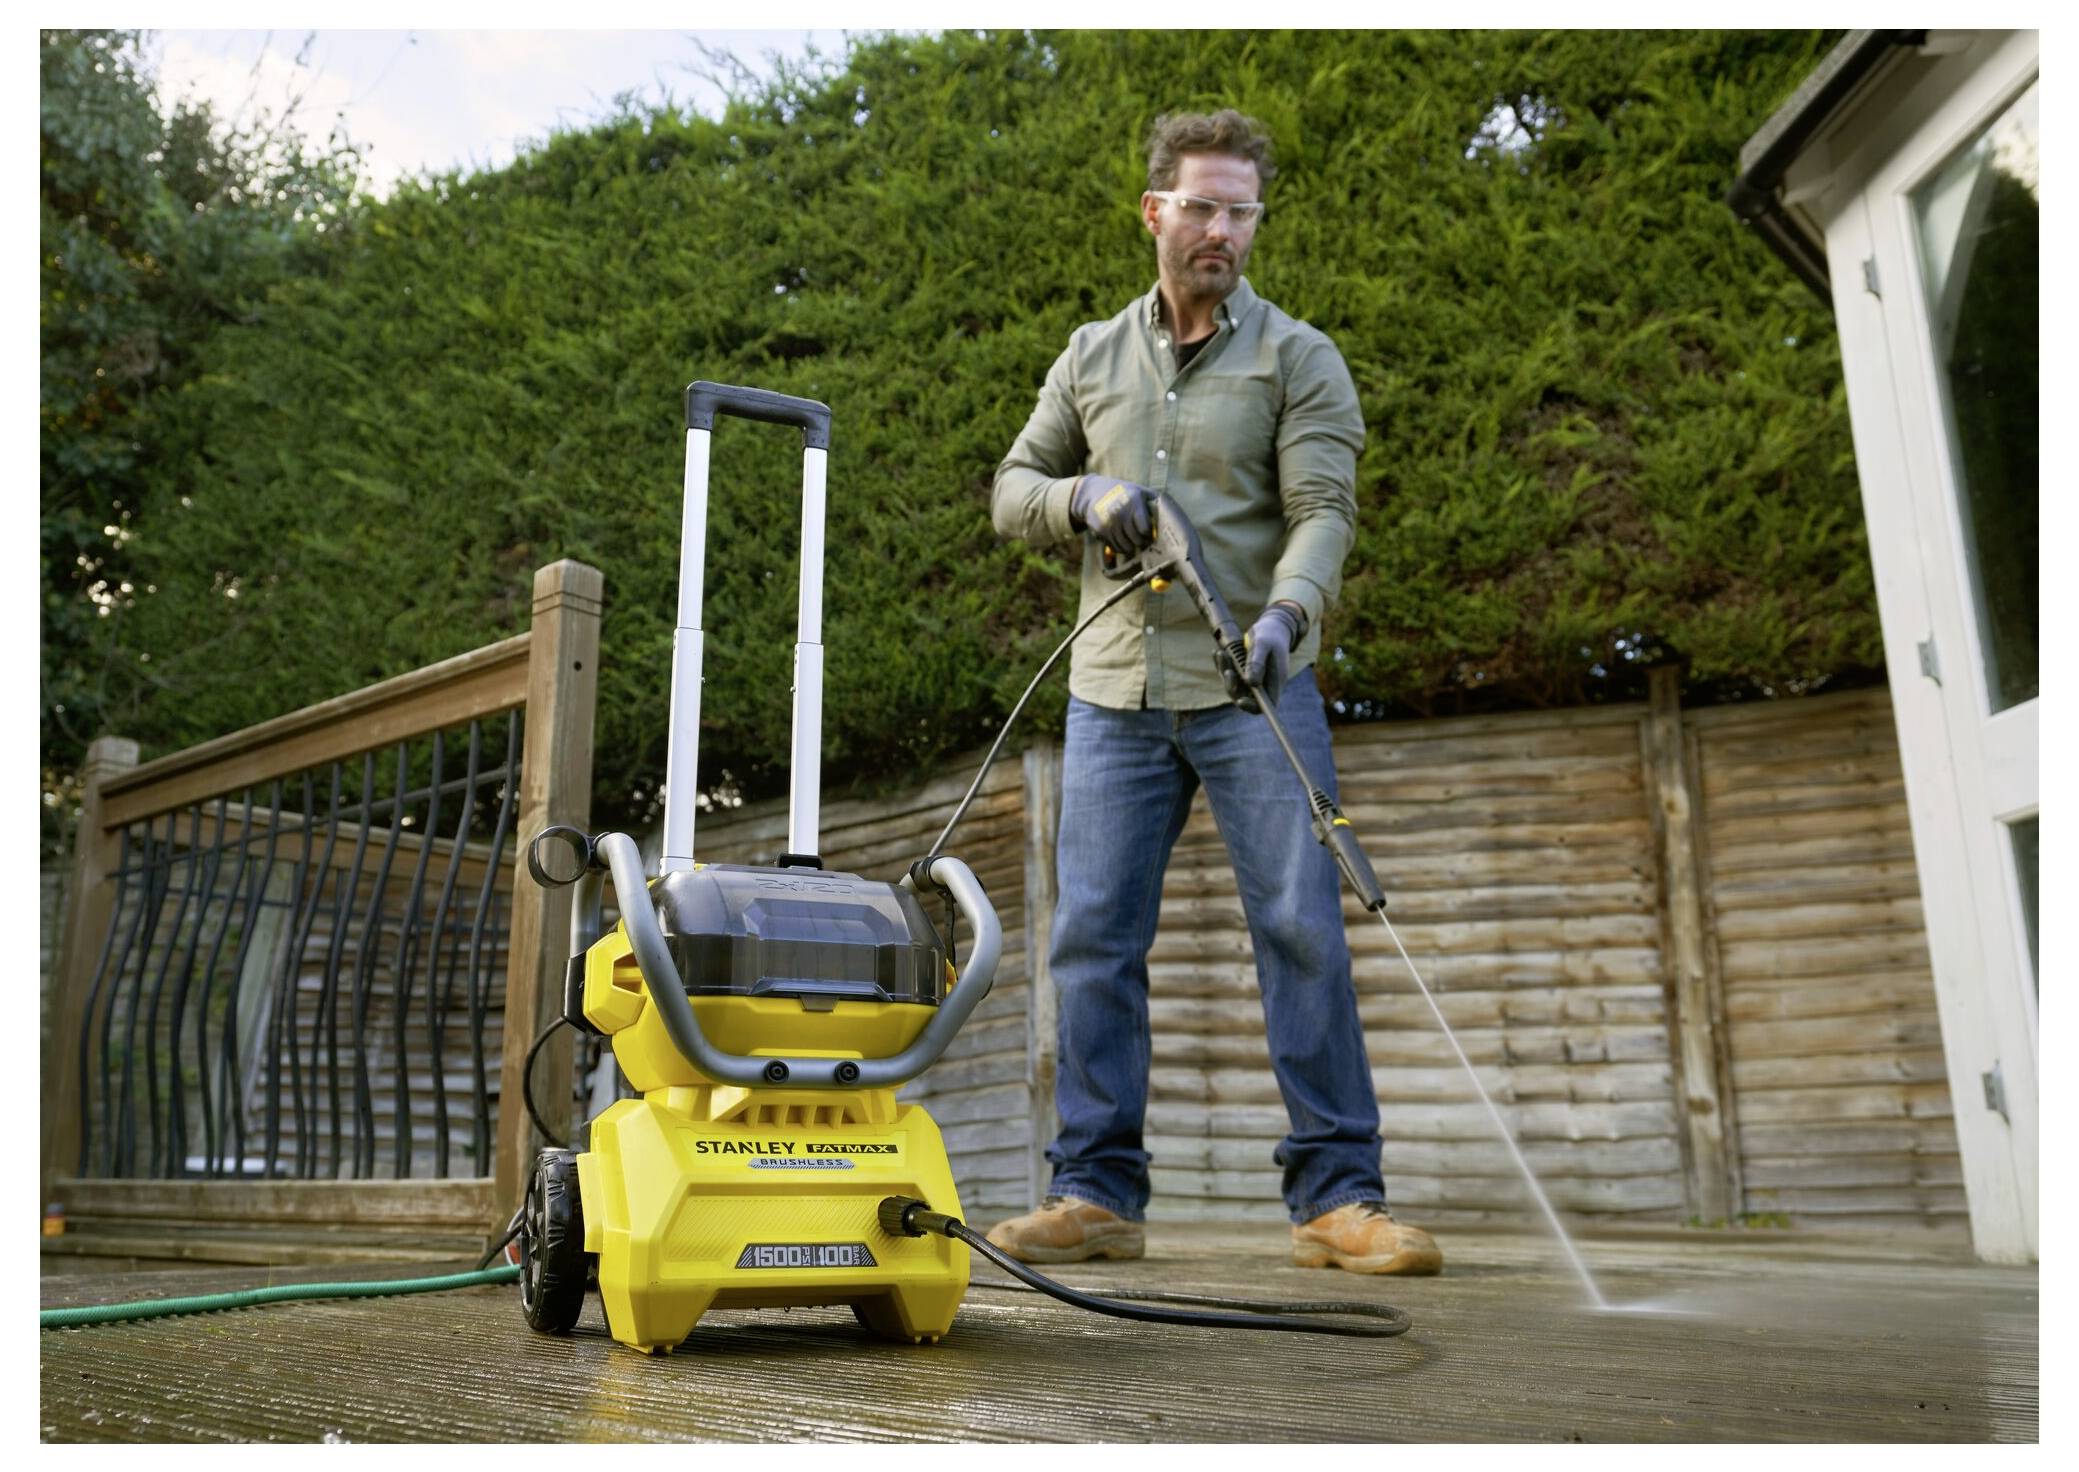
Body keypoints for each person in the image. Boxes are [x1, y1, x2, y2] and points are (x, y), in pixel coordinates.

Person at [986, 109, 1441, 1275]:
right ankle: (1095, 1192)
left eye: (1241, 210)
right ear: (1155, 210)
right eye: (1200, 205)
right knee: (1093, 936)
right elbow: (1013, 488)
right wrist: (1082, 498)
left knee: (1300, 928)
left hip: (1256, 688)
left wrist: (1290, 615)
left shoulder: (1299, 357)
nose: (1220, 230)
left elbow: (1323, 513)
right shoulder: (1090, 355)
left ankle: (1339, 1199)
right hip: (1112, 691)